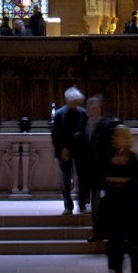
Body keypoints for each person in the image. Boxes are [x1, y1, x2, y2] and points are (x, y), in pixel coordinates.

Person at [97, 125, 138, 273]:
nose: (114, 138)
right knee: (114, 247)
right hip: (114, 209)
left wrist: (118, 181)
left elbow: (135, 182)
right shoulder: (110, 157)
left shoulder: (132, 159)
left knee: (135, 246)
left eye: (118, 135)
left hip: (130, 208)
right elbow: (102, 178)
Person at [51, 86, 89, 215]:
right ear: (67, 100)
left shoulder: (83, 113)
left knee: (83, 178)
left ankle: (83, 205)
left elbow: (86, 131)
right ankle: (68, 206)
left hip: (80, 150)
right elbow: (55, 135)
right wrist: (61, 148)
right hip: (64, 151)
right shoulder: (59, 114)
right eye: (72, 101)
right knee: (65, 179)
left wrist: (79, 135)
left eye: (76, 101)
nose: (74, 103)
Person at [83, 93, 117, 230]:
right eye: (92, 108)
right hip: (91, 169)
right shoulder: (85, 125)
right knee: (95, 199)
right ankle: (96, 228)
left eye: (97, 108)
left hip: (104, 167)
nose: (95, 111)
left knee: (106, 198)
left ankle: (105, 226)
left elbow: (110, 147)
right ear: (88, 110)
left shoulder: (105, 125)